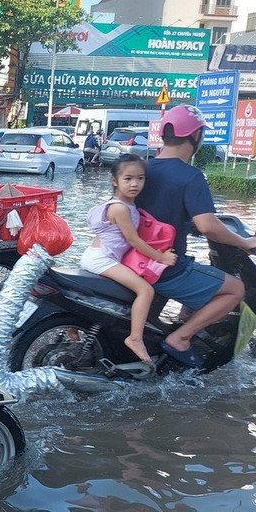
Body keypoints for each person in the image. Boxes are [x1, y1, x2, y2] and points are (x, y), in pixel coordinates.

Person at [137, 104, 256, 368]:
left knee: (204, 274)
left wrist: (187, 224)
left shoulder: (142, 171)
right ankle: (181, 338)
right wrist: (245, 242)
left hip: (135, 262)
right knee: (235, 288)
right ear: (195, 136)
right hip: (165, 268)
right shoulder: (191, 175)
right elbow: (207, 225)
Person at [81, 154, 177, 364]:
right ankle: (135, 338)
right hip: (102, 259)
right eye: (128, 179)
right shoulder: (120, 208)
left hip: (96, 256)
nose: (135, 184)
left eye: (140, 178)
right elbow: (133, 241)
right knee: (146, 290)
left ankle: (74, 327)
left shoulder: (125, 205)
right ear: (114, 181)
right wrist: (161, 257)